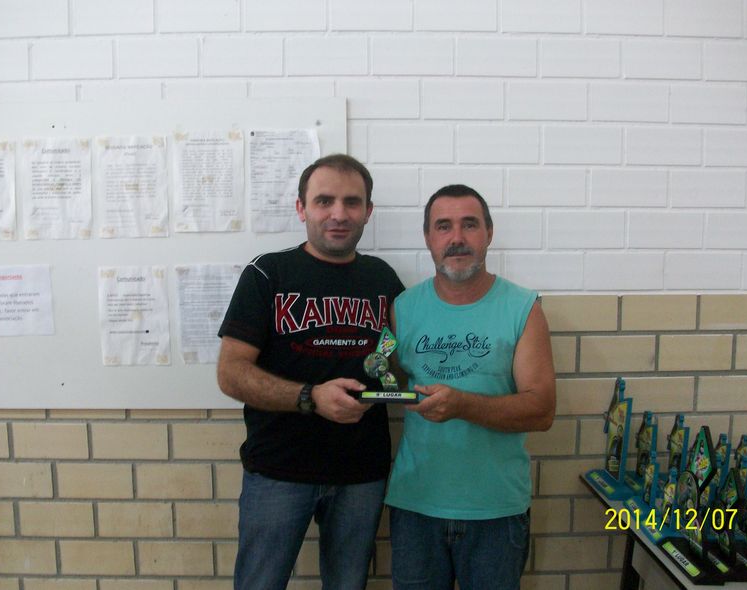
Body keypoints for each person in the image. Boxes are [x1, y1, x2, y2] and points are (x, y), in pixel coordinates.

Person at [217, 154, 404, 590]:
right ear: (301, 208)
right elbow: (231, 373)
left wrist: (401, 374)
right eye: (324, 201)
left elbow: (396, 359)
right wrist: (310, 397)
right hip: (279, 469)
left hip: (361, 471)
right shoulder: (268, 274)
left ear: (368, 211)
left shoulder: (383, 279)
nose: (339, 214)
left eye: (352, 202)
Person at [385, 184, 556, 590]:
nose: (457, 238)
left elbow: (542, 410)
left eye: (470, 225)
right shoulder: (403, 308)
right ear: (428, 237)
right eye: (443, 226)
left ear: (489, 233)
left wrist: (463, 405)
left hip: (495, 511)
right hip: (416, 505)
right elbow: (387, 377)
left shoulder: (523, 308)